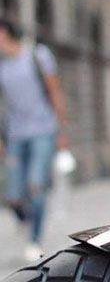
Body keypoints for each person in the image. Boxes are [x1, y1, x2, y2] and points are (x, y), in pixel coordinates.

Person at [0, 18, 68, 261]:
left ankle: (35, 239)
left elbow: (54, 92)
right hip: (15, 135)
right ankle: (29, 220)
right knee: (12, 196)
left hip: (43, 130)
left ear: (4, 33)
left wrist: (61, 131)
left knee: (36, 185)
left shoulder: (38, 56)